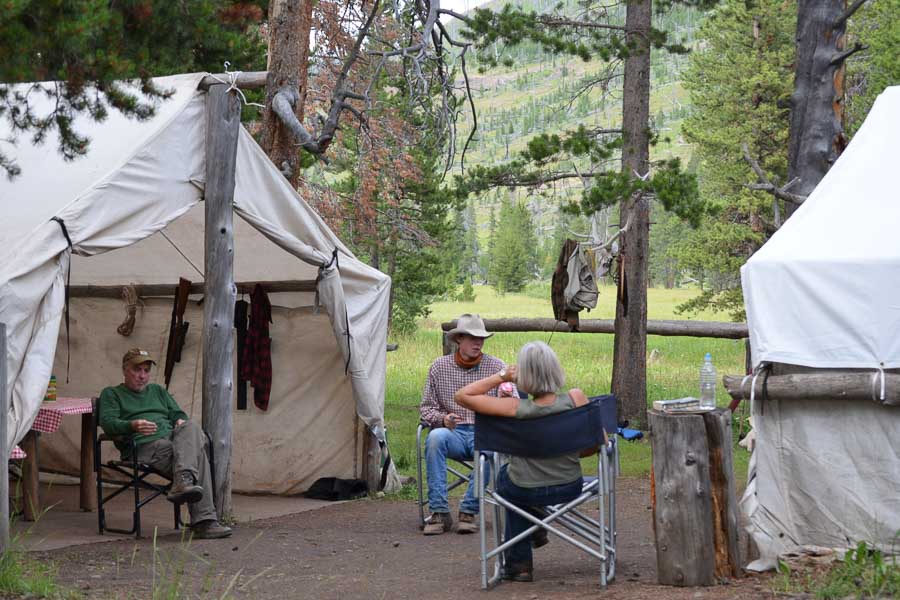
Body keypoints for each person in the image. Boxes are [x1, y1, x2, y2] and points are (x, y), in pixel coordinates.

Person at [454, 341, 589, 582]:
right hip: (570, 485)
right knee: (520, 485)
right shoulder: (576, 399)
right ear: (556, 369)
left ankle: (520, 564)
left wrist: (501, 375)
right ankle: (532, 529)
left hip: (524, 489)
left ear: (523, 375)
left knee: (513, 484)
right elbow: (594, 446)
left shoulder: (514, 408)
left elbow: (463, 396)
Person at [99, 348, 232, 539]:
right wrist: (132, 425)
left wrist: (178, 420)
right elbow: (108, 423)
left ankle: (183, 481)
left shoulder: (158, 391)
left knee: (190, 425)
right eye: (137, 370)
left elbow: (177, 413)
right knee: (198, 455)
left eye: (146, 371)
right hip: (144, 447)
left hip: (172, 443)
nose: (142, 376)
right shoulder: (112, 394)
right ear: (124, 369)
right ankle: (204, 521)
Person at [419, 313, 511, 536]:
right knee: (434, 438)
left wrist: (505, 398)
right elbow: (426, 408)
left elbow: (512, 405)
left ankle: (468, 511)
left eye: (481, 338)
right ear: (459, 339)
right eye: (472, 337)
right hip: (453, 433)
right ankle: (439, 512)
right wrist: (442, 419)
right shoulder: (439, 367)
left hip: (485, 431)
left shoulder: (497, 367)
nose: (478, 342)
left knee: (493, 447)